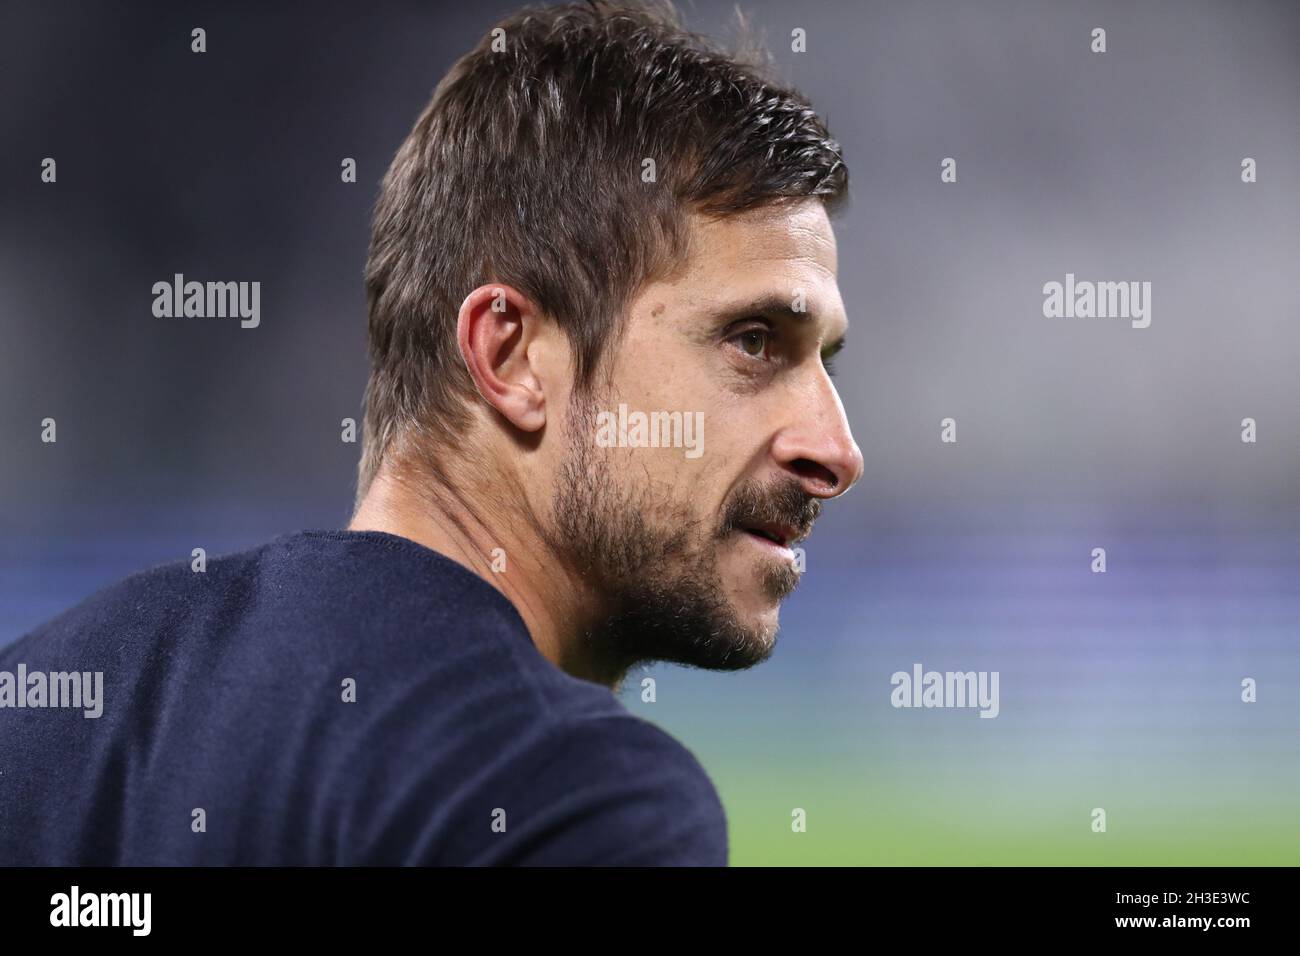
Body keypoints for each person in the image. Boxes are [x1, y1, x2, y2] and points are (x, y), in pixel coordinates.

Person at [0, 0, 862, 866]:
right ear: (513, 357)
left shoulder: (40, 703)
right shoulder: (576, 800)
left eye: (826, 361)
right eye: (754, 343)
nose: (837, 450)